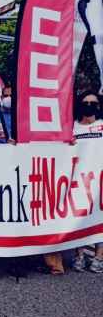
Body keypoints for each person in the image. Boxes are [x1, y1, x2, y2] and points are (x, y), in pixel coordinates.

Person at [71, 91, 103, 273]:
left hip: (100, 181)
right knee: (78, 218)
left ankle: (99, 256)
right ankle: (79, 254)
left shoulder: (102, 126)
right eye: (85, 102)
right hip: (79, 181)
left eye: (93, 103)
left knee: (100, 219)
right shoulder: (72, 127)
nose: (89, 106)